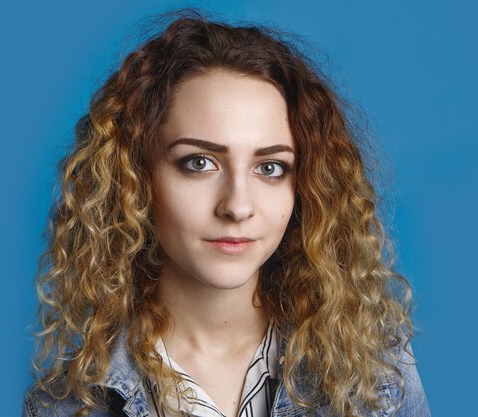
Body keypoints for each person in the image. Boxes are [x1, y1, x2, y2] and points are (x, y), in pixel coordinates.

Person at [22, 11, 431, 417]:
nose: (237, 206)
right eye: (199, 163)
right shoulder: (67, 406)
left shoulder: (378, 372)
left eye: (270, 168)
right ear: (135, 176)